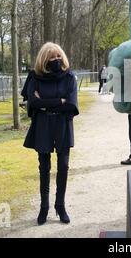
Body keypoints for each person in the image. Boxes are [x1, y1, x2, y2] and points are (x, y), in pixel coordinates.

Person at [22, 42, 79, 226]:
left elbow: (71, 104)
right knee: (44, 167)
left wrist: (45, 101)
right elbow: (32, 102)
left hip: (62, 124)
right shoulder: (35, 77)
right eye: (51, 57)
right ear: (44, 60)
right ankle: (44, 207)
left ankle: (60, 206)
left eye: (58, 56)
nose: (55, 60)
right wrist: (58, 101)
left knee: (63, 166)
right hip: (43, 125)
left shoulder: (69, 76)